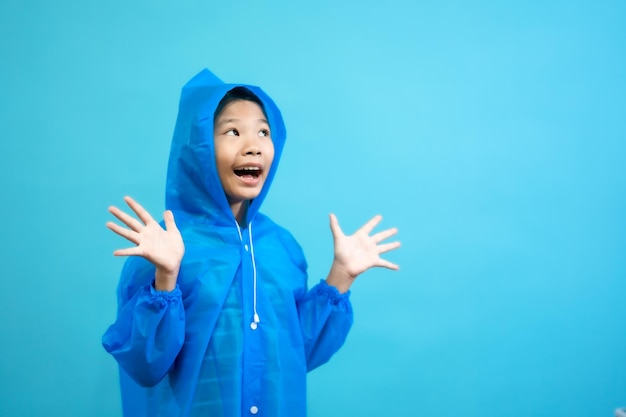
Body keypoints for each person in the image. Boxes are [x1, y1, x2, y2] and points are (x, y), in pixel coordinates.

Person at [102, 68, 400, 417]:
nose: (253, 146)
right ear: (198, 146)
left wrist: (341, 276)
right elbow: (144, 366)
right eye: (233, 131)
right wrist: (166, 278)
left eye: (263, 131)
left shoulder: (281, 248)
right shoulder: (161, 248)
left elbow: (295, 353)